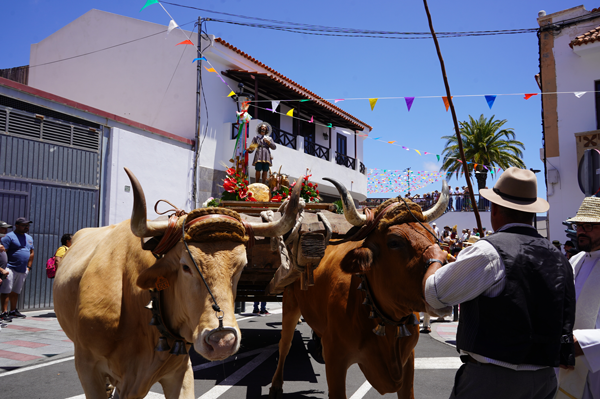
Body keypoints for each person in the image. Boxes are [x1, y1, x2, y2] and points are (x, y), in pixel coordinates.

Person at [422, 167, 575, 398]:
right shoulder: (558, 257)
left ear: (495, 210)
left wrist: (435, 258)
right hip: (545, 379)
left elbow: (434, 294)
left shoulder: (489, 251)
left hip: (492, 381)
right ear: (531, 212)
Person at [556, 196, 600, 399]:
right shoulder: (575, 260)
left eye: (588, 225)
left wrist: (583, 342)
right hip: (570, 360)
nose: (580, 230)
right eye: (578, 225)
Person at [0, 218, 35, 320]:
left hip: (23, 269)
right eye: (24, 225)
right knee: (6, 291)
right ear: (17, 225)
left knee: (16, 291)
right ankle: (4, 313)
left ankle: (13, 311)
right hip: (9, 268)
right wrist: (3, 268)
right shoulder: (8, 237)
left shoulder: (29, 238)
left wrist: (28, 267)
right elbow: (2, 252)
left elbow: (31, 252)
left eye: (28, 225)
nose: (26, 227)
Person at [0, 221, 11, 323]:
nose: (6, 230)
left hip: (3, 273)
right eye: (3, 228)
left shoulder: (1, 241)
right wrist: (1, 270)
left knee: (4, 292)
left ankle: (3, 313)